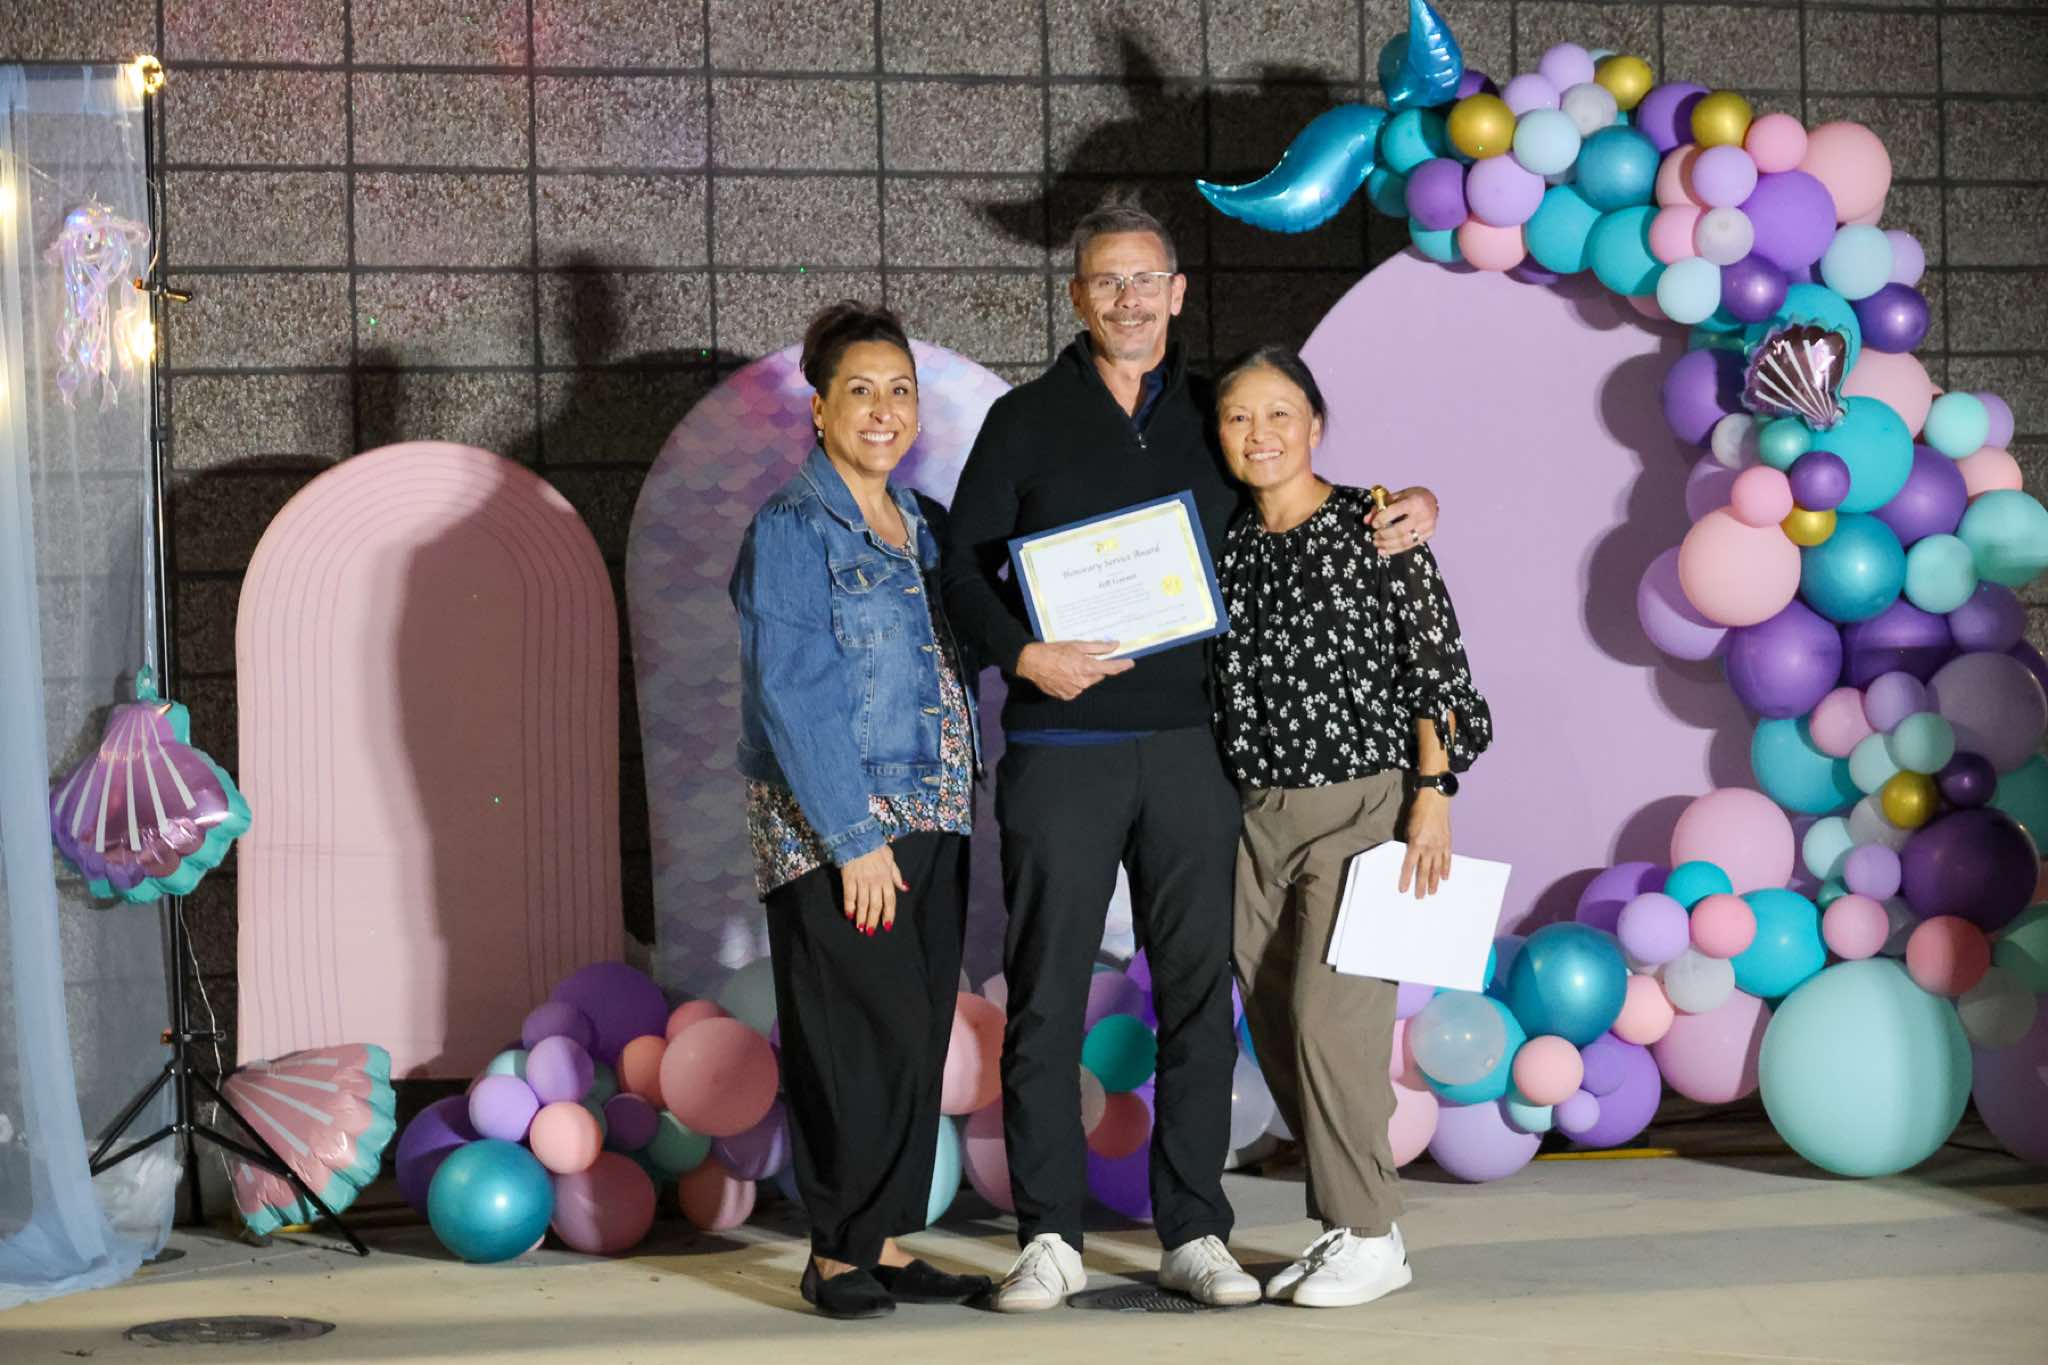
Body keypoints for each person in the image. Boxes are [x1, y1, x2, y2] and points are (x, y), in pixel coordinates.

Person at [939, 190, 1444, 1312]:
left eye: (1144, 280)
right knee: (1046, 994)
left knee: (1197, 997)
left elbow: (1306, 498)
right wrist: (1023, 655)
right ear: (1078, 297)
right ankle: (1049, 1236)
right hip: (1060, 747)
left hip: (1195, 751)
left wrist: (1412, 502)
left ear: (1176, 293)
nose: (1126, 299)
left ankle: (1195, 1230)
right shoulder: (1023, 420)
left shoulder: (1219, 412)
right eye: (1105, 281)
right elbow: (962, 569)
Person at [1212, 345, 1491, 1308]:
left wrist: (1433, 792)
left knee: (1331, 1019)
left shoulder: (1373, 522)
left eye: (1279, 413)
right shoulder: (1230, 544)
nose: (1260, 433)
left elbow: (1435, 661)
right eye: (1239, 416)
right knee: (1278, 1024)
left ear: (1316, 425)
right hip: (1257, 813)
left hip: (1364, 802)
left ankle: (1373, 1234)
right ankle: (1348, 1220)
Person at [729, 301, 992, 1320]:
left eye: (898, 391)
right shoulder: (793, 527)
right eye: (859, 391)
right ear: (820, 408)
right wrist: (853, 839)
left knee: (912, 1034)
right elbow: (790, 690)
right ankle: (834, 1253)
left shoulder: (922, 522)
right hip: (845, 828)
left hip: (935, 809)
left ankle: (878, 1240)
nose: (882, 410)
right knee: (850, 1037)